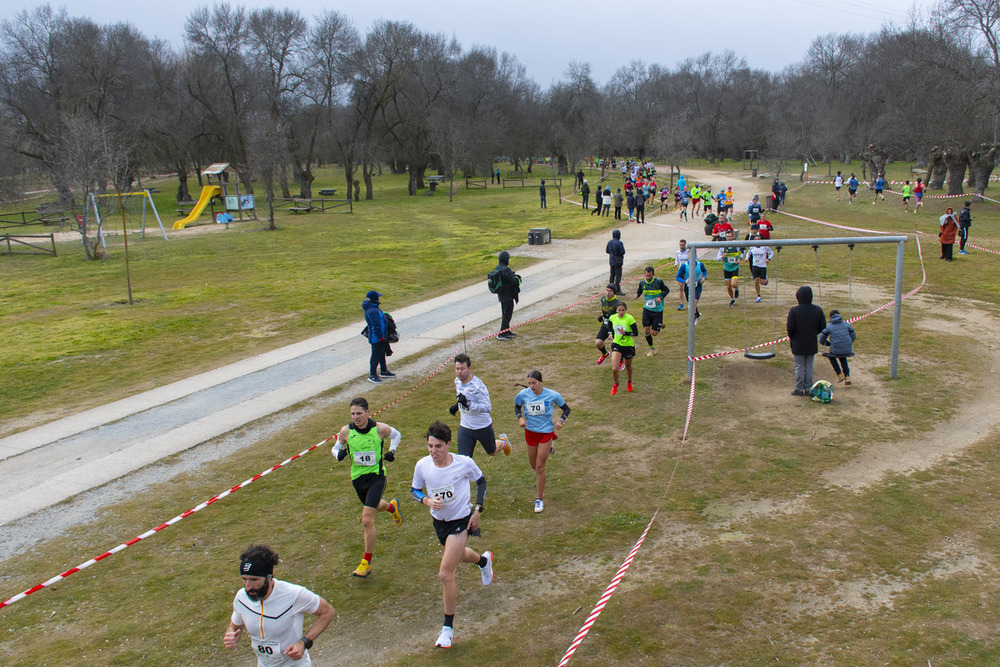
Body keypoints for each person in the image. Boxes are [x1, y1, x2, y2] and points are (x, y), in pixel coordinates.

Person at [410, 420, 494, 649]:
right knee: (456, 555)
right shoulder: (423, 466)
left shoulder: (463, 463)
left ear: (448, 445)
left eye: (438, 446)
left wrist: (477, 510)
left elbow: (482, 481)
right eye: (430, 446)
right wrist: (426, 499)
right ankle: (484, 561)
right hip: (440, 523)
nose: (433, 451)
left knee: (445, 574)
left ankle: (447, 629)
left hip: (461, 521)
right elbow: (414, 490)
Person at [224, 544, 336, 665]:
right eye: (244, 579)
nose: (247, 587)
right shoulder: (241, 598)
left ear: (269, 577)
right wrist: (231, 635)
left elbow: (327, 612)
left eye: (254, 580)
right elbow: (235, 626)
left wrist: (305, 642)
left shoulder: (293, 594)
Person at [333, 397, 404, 578]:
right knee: (373, 507)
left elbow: (397, 435)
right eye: (352, 414)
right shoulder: (346, 431)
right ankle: (391, 507)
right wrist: (338, 454)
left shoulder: (379, 429)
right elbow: (335, 448)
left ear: (368, 412)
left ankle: (366, 563)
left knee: (366, 520)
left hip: (377, 477)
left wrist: (392, 451)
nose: (356, 417)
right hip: (358, 479)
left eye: (359, 413)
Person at [514, 370, 570, 513]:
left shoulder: (552, 395)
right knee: (533, 465)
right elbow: (517, 406)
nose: (531, 386)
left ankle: (539, 499)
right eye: (529, 383)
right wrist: (520, 418)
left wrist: (560, 421)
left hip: (546, 433)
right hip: (531, 433)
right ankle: (549, 448)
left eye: (534, 383)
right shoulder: (524, 394)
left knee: (539, 467)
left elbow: (566, 409)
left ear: (541, 382)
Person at [450, 353, 511, 459]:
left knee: (491, 451)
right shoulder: (457, 381)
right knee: (463, 460)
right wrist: (457, 406)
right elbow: (462, 398)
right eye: (457, 369)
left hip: (482, 426)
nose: (459, 372)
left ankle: (503, 443)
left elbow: (487, 407)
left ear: (469, 368)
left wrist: (469, 404)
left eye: (462, 369)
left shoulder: (478, 387)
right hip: (465, 426)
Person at [786, 286, 827, 396]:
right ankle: (808, 388)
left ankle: (799, 388)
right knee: (809, 365)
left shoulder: (794, 311)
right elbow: (823, 326)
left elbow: (790, 328)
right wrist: (813, 333)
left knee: (799, 366)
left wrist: (793, 336)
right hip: (811, 341)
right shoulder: (817, 310)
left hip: (798, 342)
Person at [634, 266, 669, 356]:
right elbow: (640, 290)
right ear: (644, 275)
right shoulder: (642, 283)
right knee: (646, 330)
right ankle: (652, 349)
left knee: (654, 333)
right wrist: (637, 295)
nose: (648, 278)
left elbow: (667, 290)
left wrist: (660, 297)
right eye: (647, 275)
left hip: (657, 310)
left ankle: (661, 323)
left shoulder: (658, 282)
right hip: (647, 309)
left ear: (653, 275)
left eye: (650, 276)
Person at [363, 291, 395, 384]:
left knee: (381, 354)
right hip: (376, 337)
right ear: (374, 299)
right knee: (376, 356)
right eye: (378, 297)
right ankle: (372, 375)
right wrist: (381, 337)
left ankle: (384, 371)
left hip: (380, 336)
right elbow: (376, 326)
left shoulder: (373, 308)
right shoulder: (373, 311)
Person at [608, 302, 638, 395]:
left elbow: (636, 333)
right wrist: (610, 333)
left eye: (623, 310)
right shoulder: (613, 317)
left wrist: (626, 333)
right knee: (614, 368)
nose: (621, 312)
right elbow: (609, 325)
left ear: (626, 310)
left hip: (628, 346)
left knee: (628, 367)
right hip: (617, 345)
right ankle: (616, 384)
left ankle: (629, 382)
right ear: (616, 310)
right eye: (619, 310)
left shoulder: (629, 318)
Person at [820, 309, 857, 385]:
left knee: (831, 356)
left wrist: (829, 344)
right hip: (847, 348)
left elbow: (821, 340)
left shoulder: (828, 327)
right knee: (842, 357)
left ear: (830, 317)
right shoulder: (847, 324)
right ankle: (847, 376)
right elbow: (853, 336)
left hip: (836, 349)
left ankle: (839, 374)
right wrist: (848, 343)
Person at [492, 251, 520, 339]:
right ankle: (502, 333)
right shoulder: (506, 269)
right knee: (507, 315)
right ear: (505, 259)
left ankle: (506, 330)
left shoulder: (498, 267)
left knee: (505, 314)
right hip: (507, 296)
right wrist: (517, 278)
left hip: (501, 295)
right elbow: (513, 282)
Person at [675, 254, 707, 325]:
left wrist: (704, 277)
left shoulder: (700, 264)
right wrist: (685, 281)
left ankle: (693, 319)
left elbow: (704, 271)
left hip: (697, 285)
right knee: (691, 304)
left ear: (695, 255)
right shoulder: (684, 266)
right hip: (688, 287)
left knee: (694, 302)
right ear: (688, 256)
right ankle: (697, 315)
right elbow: (677, 277)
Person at [595, 284, 622, 364]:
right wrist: (602, 316)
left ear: (614, 292)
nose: (607, 292)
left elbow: (619, 316)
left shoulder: (617, 303)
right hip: (605, 325)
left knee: (618, 345)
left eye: (610, 291)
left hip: (615, 326)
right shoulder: (603, 299)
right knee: (598, 343)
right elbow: (605, 310)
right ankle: (605, 354)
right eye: (606, 290)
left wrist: (612, 331)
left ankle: (621, 361)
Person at [744, 237, 773, 302]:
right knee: (756, 280)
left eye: (758, 239)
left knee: (762, 282)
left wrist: (768, 259)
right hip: (755, 265)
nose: (757, 241)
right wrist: (746, 258)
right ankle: (758, 296)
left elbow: (771, 253)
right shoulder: (752, 247)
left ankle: (765, 280)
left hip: (762, 266)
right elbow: (749, 253)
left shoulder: (764, 246)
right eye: (756, 240)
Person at [718, 229, 741, 307]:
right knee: (728, 286)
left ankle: (737, 289)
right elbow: (717, 258)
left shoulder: (736, 245)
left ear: (733, 236)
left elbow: (743, 252)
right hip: (726, 267)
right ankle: (732, 299)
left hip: (734, 267)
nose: (729, 238)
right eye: (727, 236)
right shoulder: (722, 246)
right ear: (725, 237)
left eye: (730, 236)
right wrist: (722, 256)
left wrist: (739, 259)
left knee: (733, 284)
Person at [606, 229, 625, 294]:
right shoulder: (619, 243)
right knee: (618, 276)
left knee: (612, 275)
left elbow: (607, 251)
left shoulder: (609, 242)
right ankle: (617, 289)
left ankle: (610, 288)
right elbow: (622, 252)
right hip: (618, 261)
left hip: (611, 261)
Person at [674, 239, 689, 310]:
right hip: (681, 271)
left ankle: (690, 303)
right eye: (680, 245)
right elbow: (677, 259)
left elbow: (695, 259)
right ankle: (681, 304)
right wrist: (675, 264)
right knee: (680, 287)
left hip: (688, 271)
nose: (681, 247)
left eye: (683, 245)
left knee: (688, 288)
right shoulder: (678, 252)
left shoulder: (688, 251)